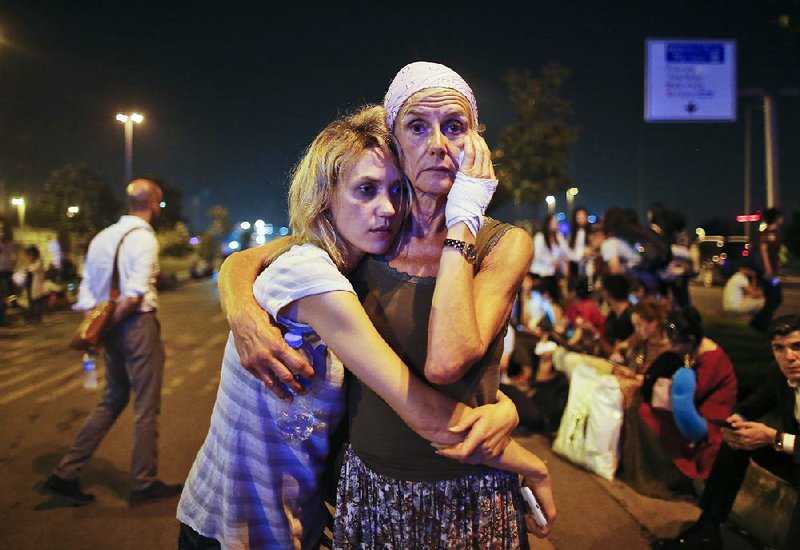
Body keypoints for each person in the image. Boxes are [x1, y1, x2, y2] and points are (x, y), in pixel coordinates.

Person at [217, 62, 555, 548]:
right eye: (418, 127)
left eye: (454, 127)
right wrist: (240, 309)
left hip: (471, 488)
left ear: (476, 142)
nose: (438, 144)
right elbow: (258, 256)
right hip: (373, 486)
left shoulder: (504, 245)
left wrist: (462, 221)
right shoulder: (372, 235)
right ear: (396, 142)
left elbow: (446, 361)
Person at [41, 179, 183, 506]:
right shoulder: (144, 238)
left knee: (112, 398)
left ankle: (65, 473)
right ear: (154, 205)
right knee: (146, 405)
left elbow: (87, 295)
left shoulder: (102, 237)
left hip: (109, 326)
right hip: (136, 325)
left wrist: (101, 329)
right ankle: (143, 482)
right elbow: (134, 295)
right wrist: (116, 322)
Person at [652, 314, 800, 550]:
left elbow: (777, 438)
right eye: (779, 348)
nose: (789, 357)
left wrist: (774, 438)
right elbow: (751, 405)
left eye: (797, 346)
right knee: (736, 442)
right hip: (793, 454)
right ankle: (707, 528)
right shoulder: (780, 376)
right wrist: (736, 422)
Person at [620, 307, 737, 499]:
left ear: (690, 340)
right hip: (692, 410)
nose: (670, 345)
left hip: (709, 419)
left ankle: (667, 476)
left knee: (646, 413)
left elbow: (693, 395)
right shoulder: (693, 351)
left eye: (674, 342)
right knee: (640, 408)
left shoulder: (710, 359)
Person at [751, 207, 784, 333]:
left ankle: (760, 323)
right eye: (780, 216)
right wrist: (768, 268)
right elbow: (764, 250)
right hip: (768, 271)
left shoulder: (775, 232)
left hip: (773, 271)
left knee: (774, 298)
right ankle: (761, 324)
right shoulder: (767, 232)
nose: (782, 219)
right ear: (775, 218)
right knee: (774, 298)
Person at [599, 274, 634, 357]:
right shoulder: (612, 315)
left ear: (607, 293)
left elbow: (615, 353)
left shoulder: (632, 317)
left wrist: (595, 335)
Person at [0, 221, 18, 326]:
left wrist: (13, 262)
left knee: (8, 293)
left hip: (7, 271)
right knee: (3, 293)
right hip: (1, 271)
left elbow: (14, 256)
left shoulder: (10, 244)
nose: (2, 234)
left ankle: (6, 313)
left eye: (3, 231)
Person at [23, 245, 46, 322]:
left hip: (36, 284)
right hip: (30, 284)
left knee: (37, 301)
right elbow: (25, 271)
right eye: (29, 254)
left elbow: (33, 269)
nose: (30, 256)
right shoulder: (32, 262)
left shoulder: (39, 261)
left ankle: (37, 317)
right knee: (31, 301)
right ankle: (32, 317)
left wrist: (28, 266)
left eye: (31, 254)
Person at [564, 207, 589, 276]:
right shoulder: (572, 234)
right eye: (579, 217)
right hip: (574, 266)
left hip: (588, 266)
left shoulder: (591, 233)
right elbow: (568, 253)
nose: (581, 219)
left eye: (583, 217)